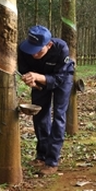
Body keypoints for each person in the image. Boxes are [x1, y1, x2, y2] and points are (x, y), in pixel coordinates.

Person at [18, 25, 74, 175]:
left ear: (49, 45)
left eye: (38, 50)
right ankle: (42, 154)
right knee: (39, 115)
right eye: (31, 49)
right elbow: (23, 69)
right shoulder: (23, 49)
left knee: (59, 116)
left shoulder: (61, 49)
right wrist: (29, 79)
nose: (34, 54)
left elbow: (60, 79)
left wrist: (38, 77)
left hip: (62, 79)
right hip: (39, 80)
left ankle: (52, 160)